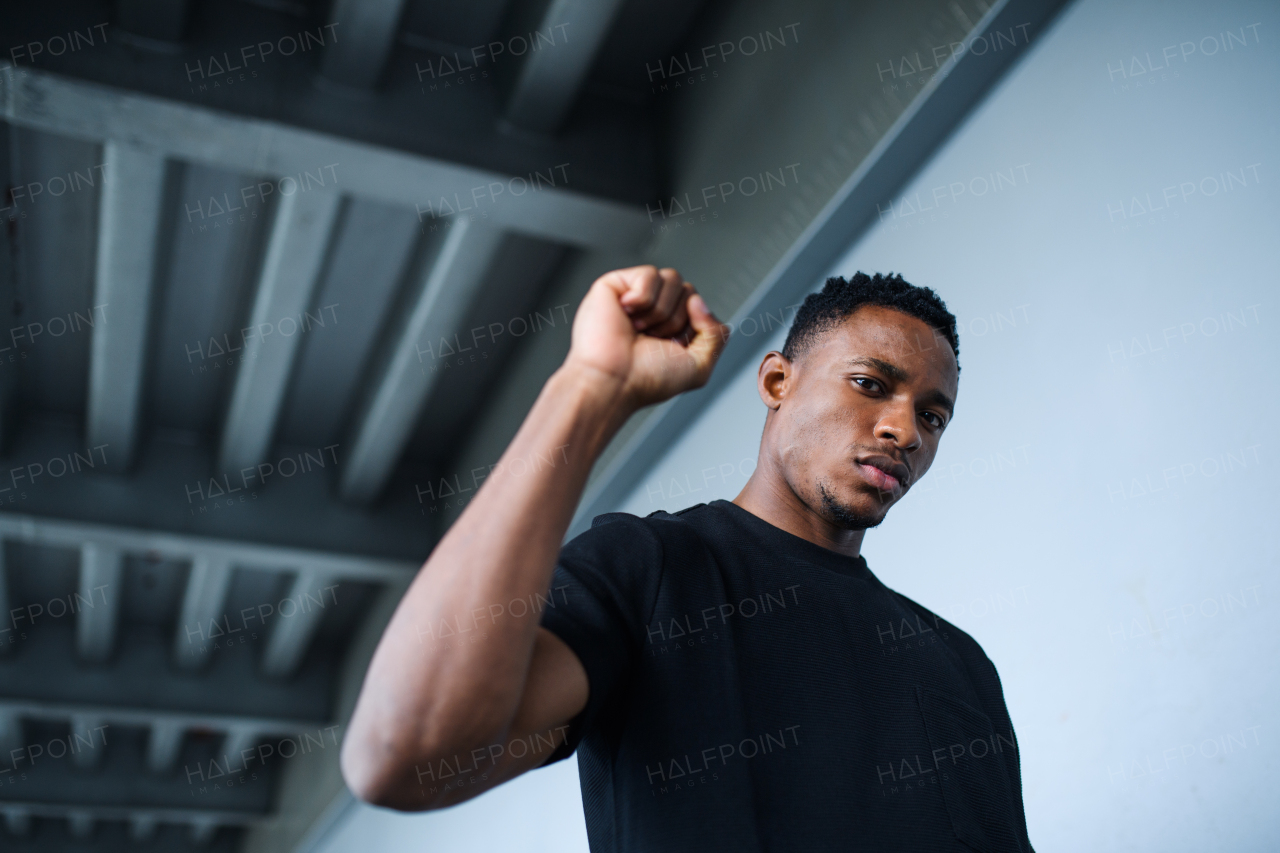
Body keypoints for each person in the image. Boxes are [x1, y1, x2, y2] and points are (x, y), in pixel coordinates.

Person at [341, 265, 1034, 852]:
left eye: (933, 415)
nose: (904, 430)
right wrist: (588, 387)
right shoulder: (649, 568)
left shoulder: (960, 662)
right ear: (776, 382)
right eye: (871, 383)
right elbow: (404, 755)